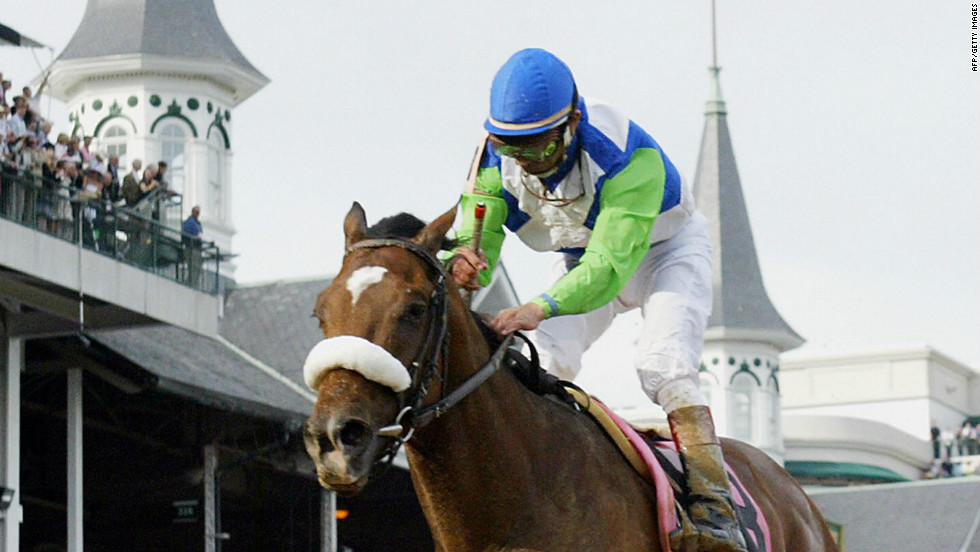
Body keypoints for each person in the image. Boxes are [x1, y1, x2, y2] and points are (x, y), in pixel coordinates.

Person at [448, 48, 746, 552]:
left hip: (662, 252)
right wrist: (463, 261)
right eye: (513, 145)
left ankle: (716, 514)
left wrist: (538, 306)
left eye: (540, 147)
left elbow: (608, 269)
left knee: (663, 365)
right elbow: (477, 236)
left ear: (574, 121)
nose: (527, 160)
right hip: (575, 258)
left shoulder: (627, 156)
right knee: (541, 361)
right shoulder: (494, 157)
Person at [182, 205, 203, 286]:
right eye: (196, 212)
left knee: (197, 268)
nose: (197, 214)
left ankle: (193, 284)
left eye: (198, 212)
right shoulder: (189, 222)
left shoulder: (198, 224)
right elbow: (186, 233)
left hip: (197, 248)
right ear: (193, 212)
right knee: (192, 267)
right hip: (191, 247)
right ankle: (190, 284)